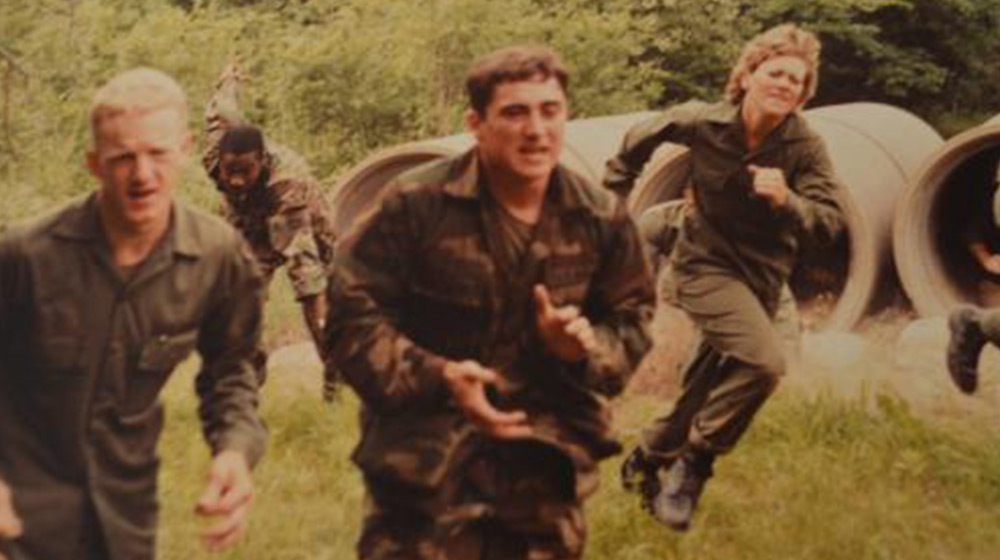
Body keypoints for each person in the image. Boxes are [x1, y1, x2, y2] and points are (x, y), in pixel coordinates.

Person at [325, 45, 654, 559]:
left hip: (543, 467)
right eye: (515, 112)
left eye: (550, 110)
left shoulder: (600, 218)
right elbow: (350, 315)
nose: (536, 130)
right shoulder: (414, 205)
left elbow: (633, 319)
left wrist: (582, 350)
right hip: (423, 467)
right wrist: (441, 377)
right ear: (476, 123)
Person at [0, 68, 268, 560]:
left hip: (124, 514)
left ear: (187, 149)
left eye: (158, 154)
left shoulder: (216, 256)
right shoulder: (25, 257)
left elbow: (233, 371)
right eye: (123, 158)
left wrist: (234, 450)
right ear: (95, 163)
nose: (143, 175)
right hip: (16, 511)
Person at [606, 23, 844, 531]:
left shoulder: (805, 147)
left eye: (796, 81)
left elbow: (829, 224)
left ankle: (647, 458)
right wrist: (615, 193)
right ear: (749, 74)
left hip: (764, 279)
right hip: (703, 266)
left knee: (699, 392)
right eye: (776, 73)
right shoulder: (703, 123)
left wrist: (789, 201)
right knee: (764, 364)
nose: (784, 85)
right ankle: (695, 465)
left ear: (804, 93)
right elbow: (641, 135)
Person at [203, 61, 339, 399]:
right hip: (246, 220)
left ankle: (335, 372)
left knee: (316, 290)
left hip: (296, 215)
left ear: (262, 161)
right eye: (229, 171)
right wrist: (229, 79)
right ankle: (248, 380)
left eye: (244, 172)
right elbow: (223, 109)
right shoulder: (215, 154)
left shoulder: (286, 183)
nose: (234, 179)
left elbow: (304, 274)